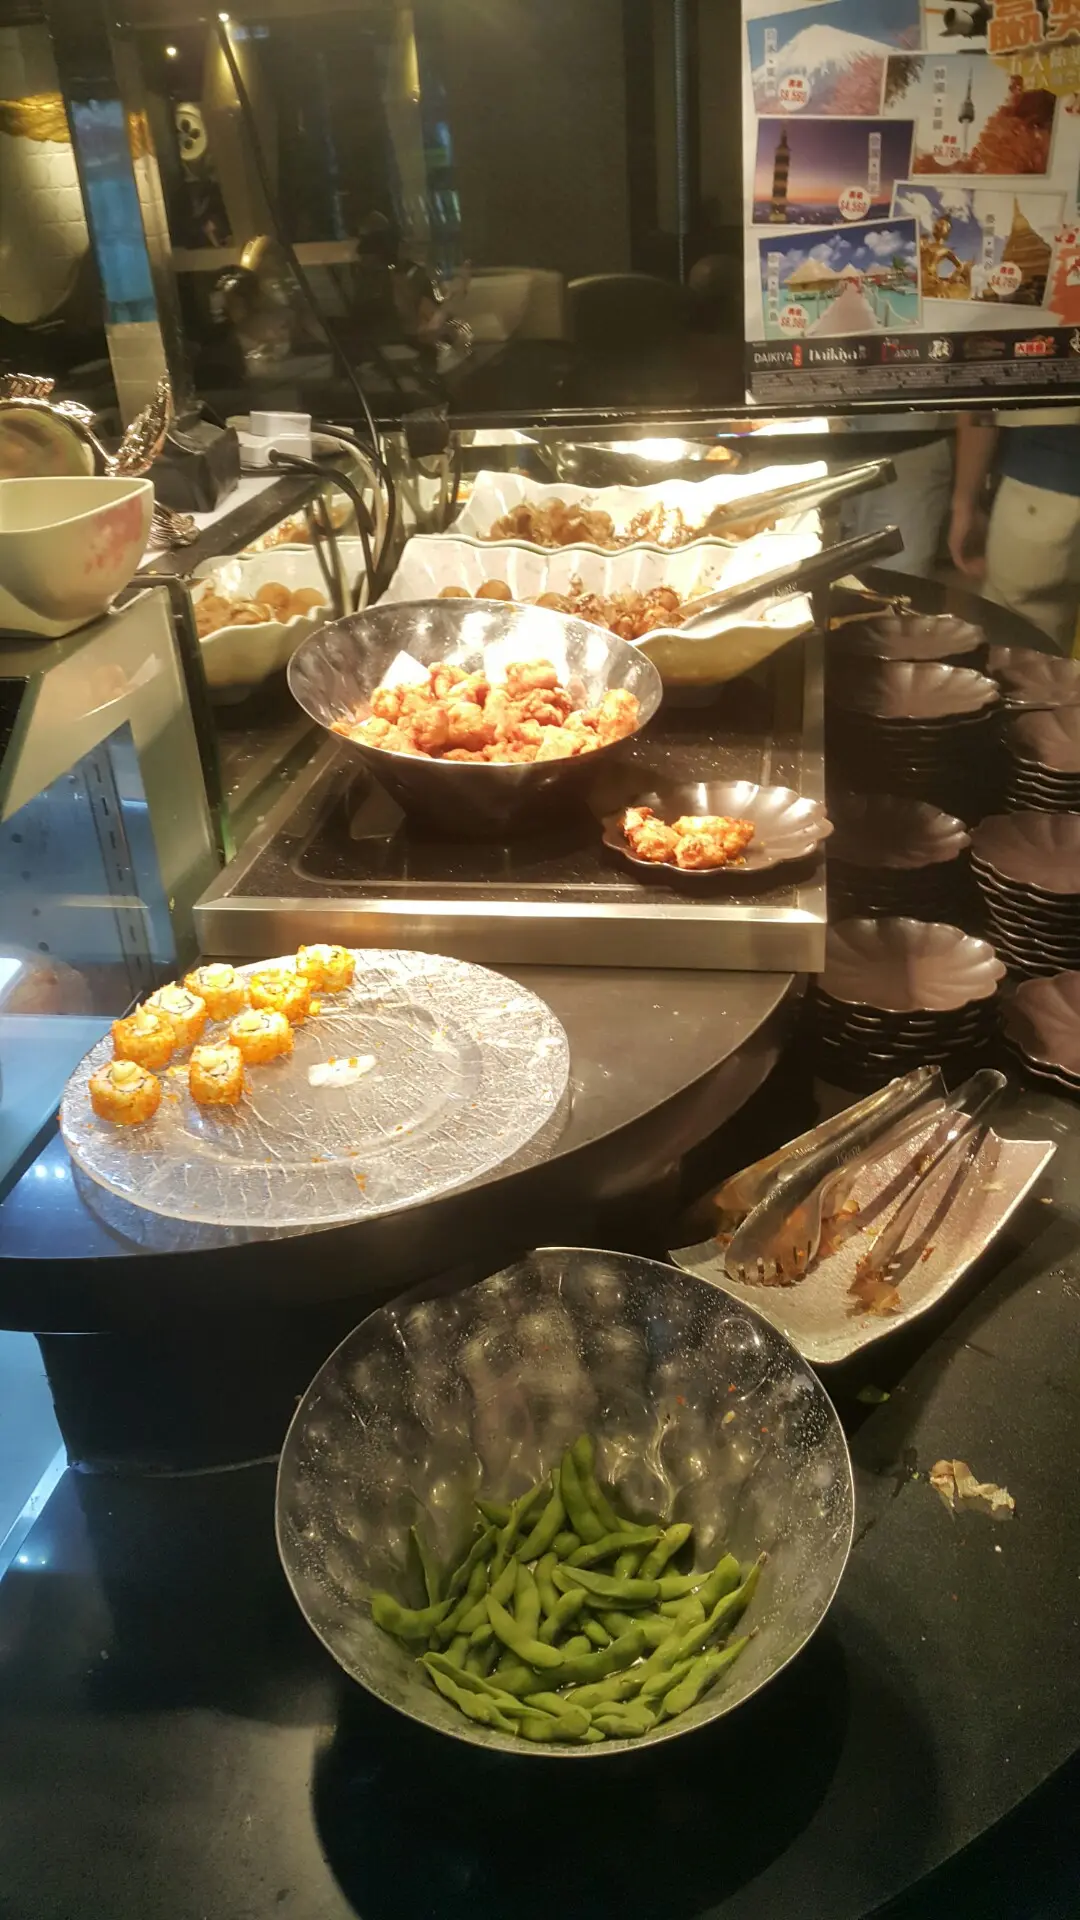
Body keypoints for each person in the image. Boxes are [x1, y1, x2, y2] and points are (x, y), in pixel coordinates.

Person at [949, 409, 1080, 653]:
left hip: (1043, 487)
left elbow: (981, 407)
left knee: (1020, 648)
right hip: (1050, 485)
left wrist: (964, 503)